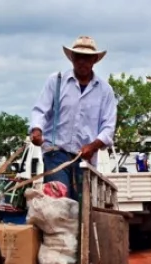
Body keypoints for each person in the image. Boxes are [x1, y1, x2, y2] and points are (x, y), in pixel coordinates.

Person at [29, 36, 118, 201]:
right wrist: (36, 130)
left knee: (80, 206)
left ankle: (81, 227)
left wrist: (93, 146)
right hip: (56, 154)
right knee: (58, 202)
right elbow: (40, 110)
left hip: (85, 159)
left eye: (87, 58)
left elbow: (108, 128)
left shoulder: (105, 90)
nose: (82, 62)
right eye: (78, 57)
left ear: (94, 60)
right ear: (72, 59)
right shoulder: (56, 81)